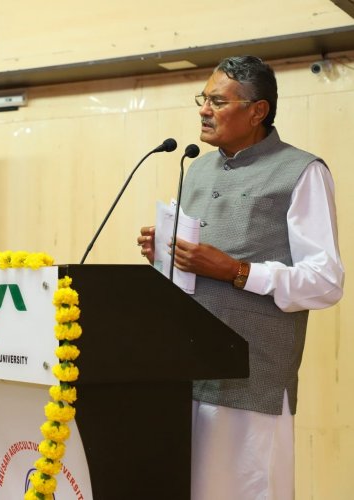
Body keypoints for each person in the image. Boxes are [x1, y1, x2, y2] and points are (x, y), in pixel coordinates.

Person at [137, 55, 344, 500]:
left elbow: (326, 281)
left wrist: (236, 271)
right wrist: (165, 257)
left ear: (257, 111)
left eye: (217, 101)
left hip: (252, 381)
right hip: (185, 373)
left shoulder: (301, 171)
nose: (203, 110)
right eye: (203, 99)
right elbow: (192, 276)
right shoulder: (199, 168)